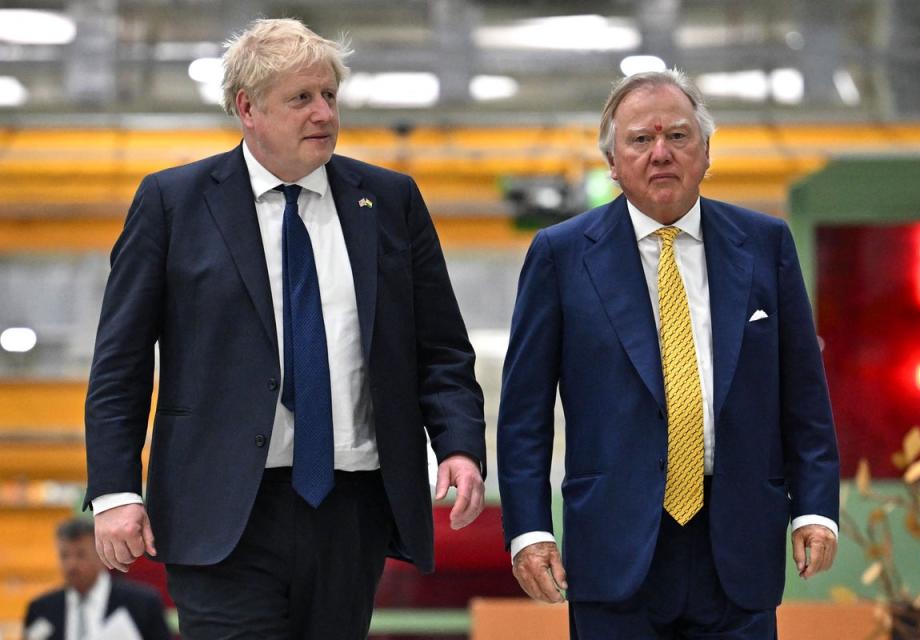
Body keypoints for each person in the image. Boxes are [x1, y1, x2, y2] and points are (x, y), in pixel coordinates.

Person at [83, 17, 486, 639]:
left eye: (329, 95)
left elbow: (441, 349)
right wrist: (114, 490)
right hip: (219, 508)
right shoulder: (173, 203)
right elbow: (121, 363)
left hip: (351, 505)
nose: (324, 113)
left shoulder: (390, 201)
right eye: (301, 98)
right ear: (248, 108)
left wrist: (459, 445)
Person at [497, 69, 839, 639]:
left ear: (706, 152)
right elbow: (524, 415)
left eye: (678, 137)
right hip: (613, 547)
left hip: (737, 543)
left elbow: (803, 391)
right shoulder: (559, 255)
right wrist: (529, 531)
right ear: (612, 161)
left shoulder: (765, 245)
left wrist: (815, 507)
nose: (661, 153)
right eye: (640, 139)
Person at [23, 518, 170, 640]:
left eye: (81, 555)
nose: (71, 564)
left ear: (101, 555)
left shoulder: (142, 604)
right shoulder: (40, 609)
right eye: (65, 556)